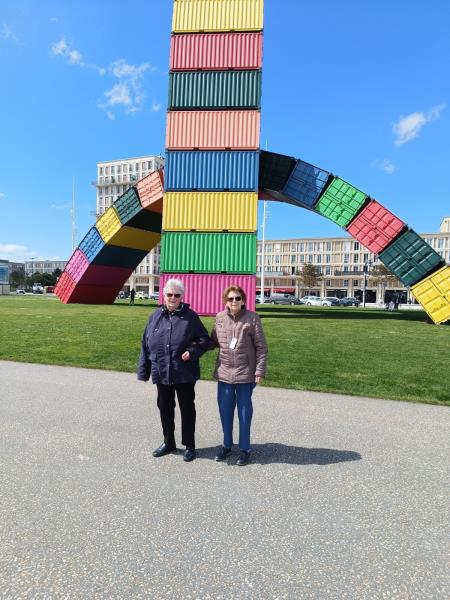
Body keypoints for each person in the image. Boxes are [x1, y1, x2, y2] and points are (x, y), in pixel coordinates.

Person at [137, 278, 211, 462]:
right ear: (164, 295)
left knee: (187, 409)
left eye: (177, 295)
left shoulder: (190, 317)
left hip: (184, 373)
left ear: (182, 297)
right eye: (169, 294)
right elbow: (145, 344)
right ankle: (168, 442)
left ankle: (190, 445)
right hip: (161, 371)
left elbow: (205, 340)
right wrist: (143, 371)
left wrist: (192, 352)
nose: (173, 298)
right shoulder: (155, 316)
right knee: (164, 408)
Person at [211, 285, 268, 466]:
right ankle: (226, 445)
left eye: (237, 298)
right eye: (230, 299)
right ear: (226, 301)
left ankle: (245, 449)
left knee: (244, 413)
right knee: (225, 412)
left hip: (245, 374)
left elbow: (261, 347)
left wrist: (259, 371)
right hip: (224, 373)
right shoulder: (219, 318)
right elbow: (213, 341)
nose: (234, 301)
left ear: (243, 300)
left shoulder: (252, 318)